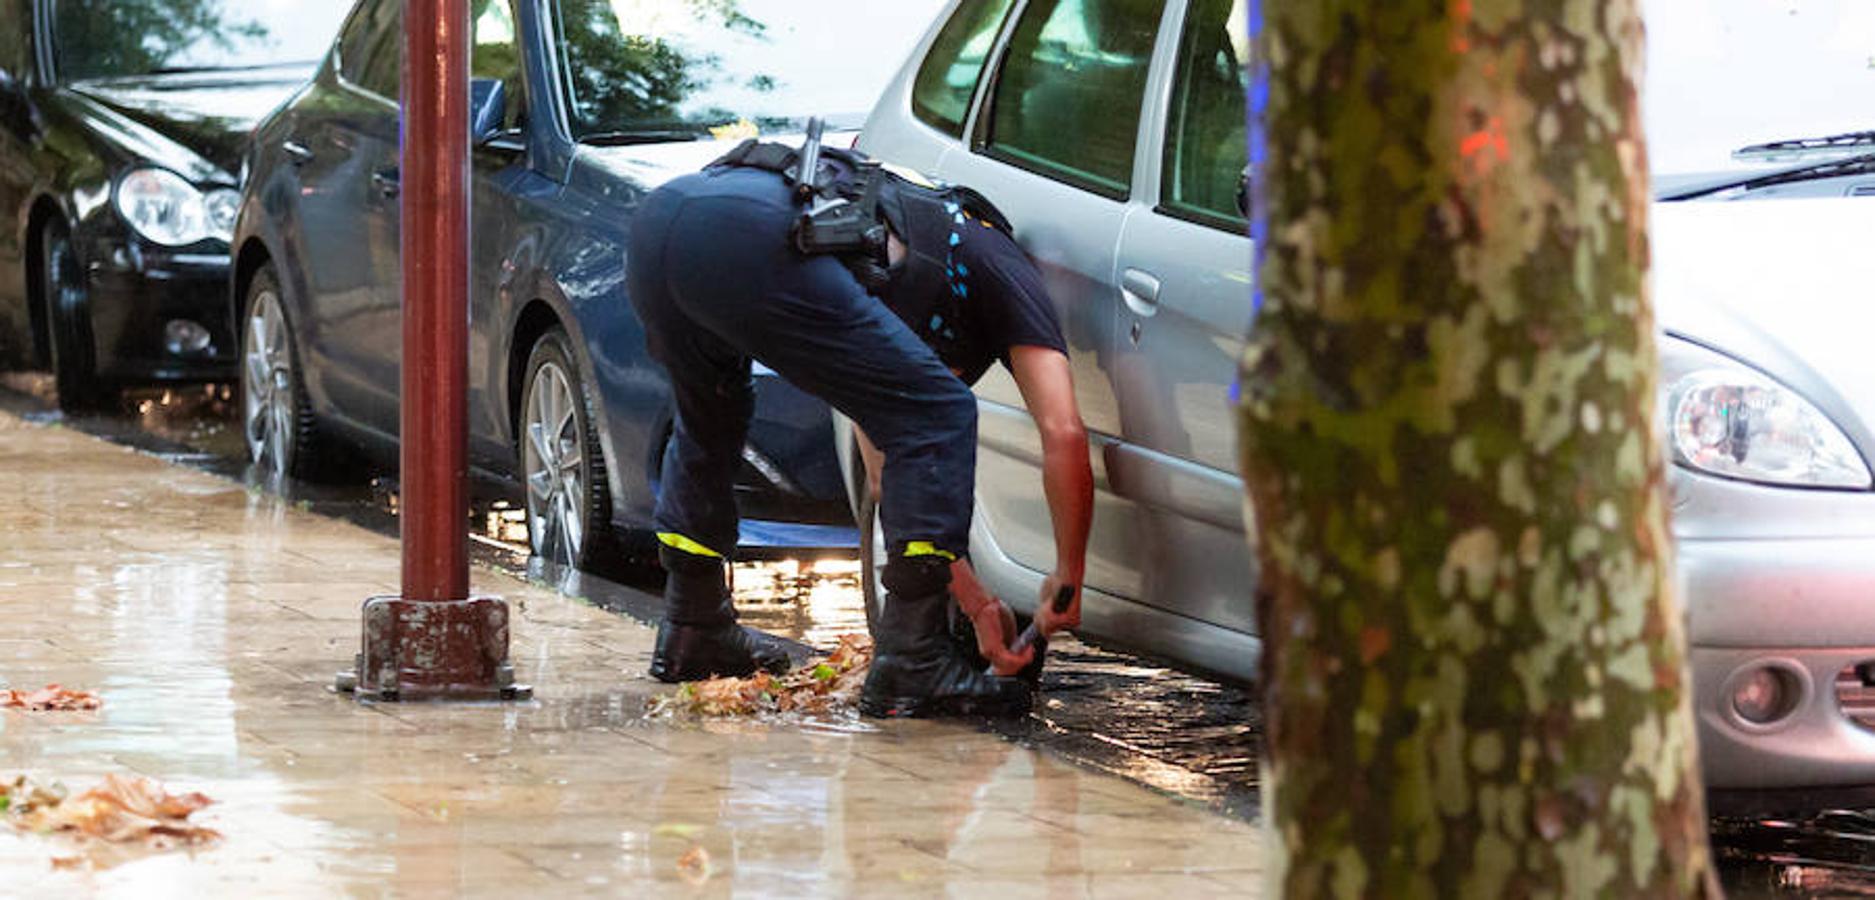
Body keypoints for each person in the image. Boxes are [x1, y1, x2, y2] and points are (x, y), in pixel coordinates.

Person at [625, 132, 1093, 719]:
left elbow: (886, 475)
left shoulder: (884, 277)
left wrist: (976, 605)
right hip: (750, 233)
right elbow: (1064, 432)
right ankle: (914, 663)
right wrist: (1068, 578)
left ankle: (693, 627)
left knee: (711, 411)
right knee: (941, 409)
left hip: (661, 224)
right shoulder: (999, 262)